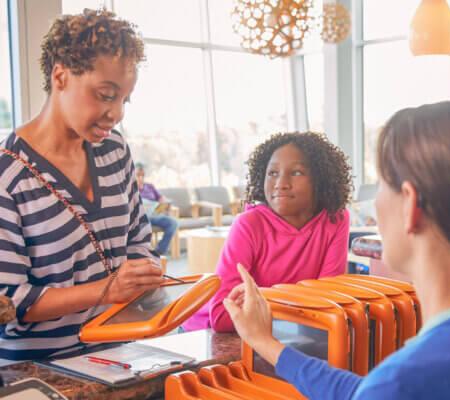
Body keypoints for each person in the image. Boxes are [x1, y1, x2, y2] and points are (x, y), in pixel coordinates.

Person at [223, 102, 450, 400]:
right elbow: (365, 393)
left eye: (382, 185)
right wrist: (267, 344)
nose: (376, 203)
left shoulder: (408, 379)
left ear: (411, 204)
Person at [0, 9, 165, 362]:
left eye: (124, 99)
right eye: (106, 95)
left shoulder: (114, 150)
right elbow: (10, 302)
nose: (117, 112)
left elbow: (137, 240)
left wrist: (146, 271)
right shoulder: (7, 176)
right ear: (60, 76)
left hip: (122, 355)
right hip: (42, 369)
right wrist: (107, 290)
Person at [182, 132, 353, 332]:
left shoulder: (336, 219)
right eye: (272, 173)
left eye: (296, 172)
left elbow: (328, 302)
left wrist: (261, 299)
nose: (281, 183)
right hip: (204, 332)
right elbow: (223, 315)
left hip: (275, 332)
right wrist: (301, 303)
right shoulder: (249, 224)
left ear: (321, 180)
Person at [135, 163, 178, 255]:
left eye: (142, 175)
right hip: (141, 217)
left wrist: (164, 202)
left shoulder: (150, 186)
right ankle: (144, 253)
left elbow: (161, 198)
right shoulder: (131, 189)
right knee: (143, 225)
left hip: (155, 215)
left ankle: (160, 250)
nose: (141, 178)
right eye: (138, 175)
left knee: (173, 223)